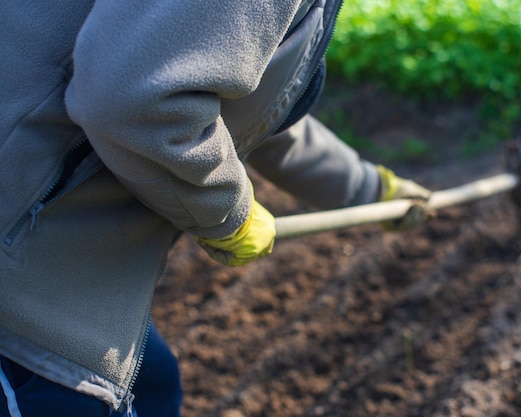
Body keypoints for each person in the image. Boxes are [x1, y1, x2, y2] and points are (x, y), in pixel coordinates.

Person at [0, 0, 431, 415]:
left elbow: (241, 107)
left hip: (41, 241)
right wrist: (227, 214)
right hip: (21, 268)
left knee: (154, 383)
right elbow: (139, 98)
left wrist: (371, 189)